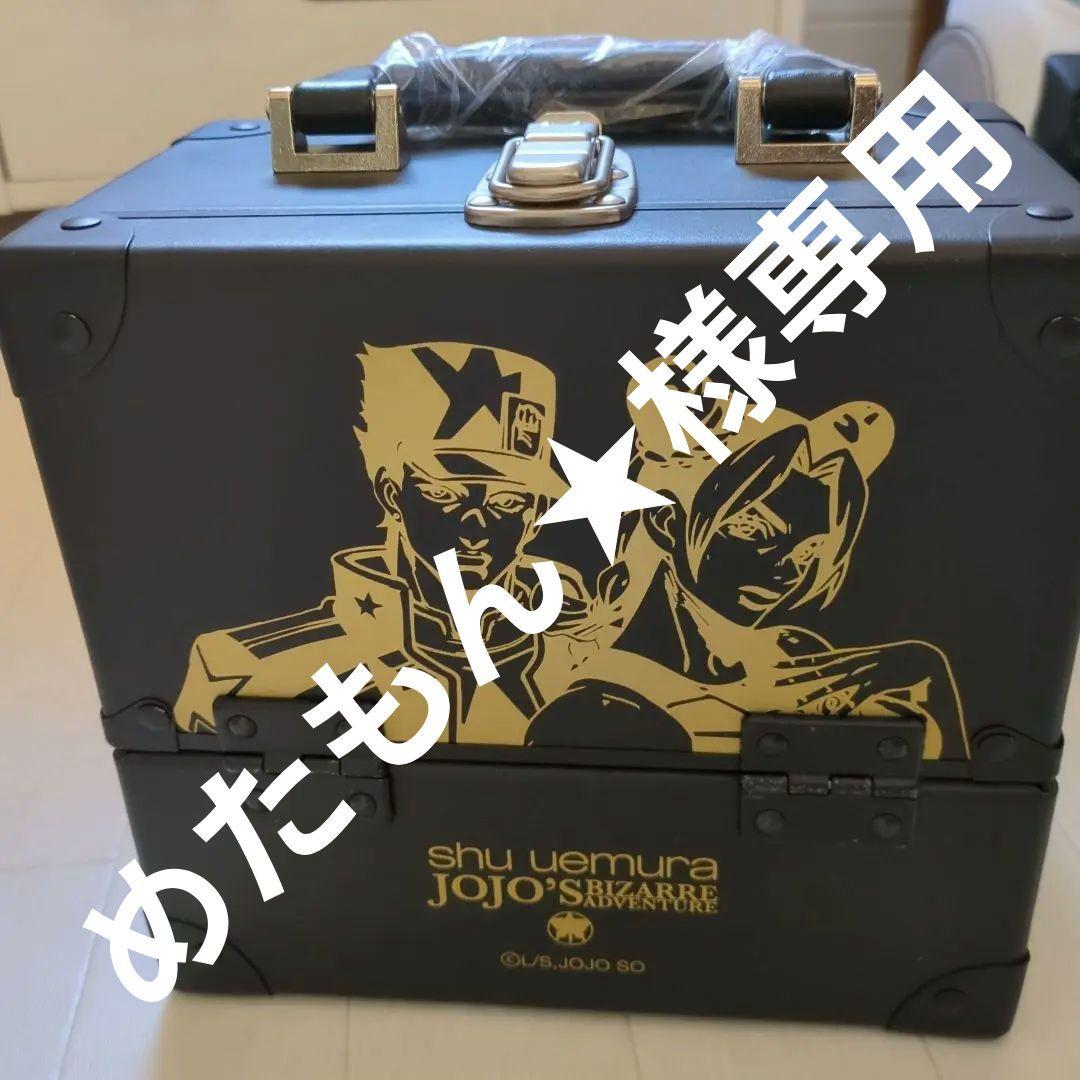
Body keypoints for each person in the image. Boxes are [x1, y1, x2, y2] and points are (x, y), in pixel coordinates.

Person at [173, 341, 589, 745]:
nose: (475, 529)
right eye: (444, 496)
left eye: (507, 502)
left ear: (535, 516)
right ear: (392, 495)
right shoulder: (246, 668)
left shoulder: (586, 665)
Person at [527, 392, 968, 761]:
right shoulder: (600, 710)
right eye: (754, 530)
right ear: (667, 522)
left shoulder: (797, 651)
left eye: (810, 550)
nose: (787, 566)